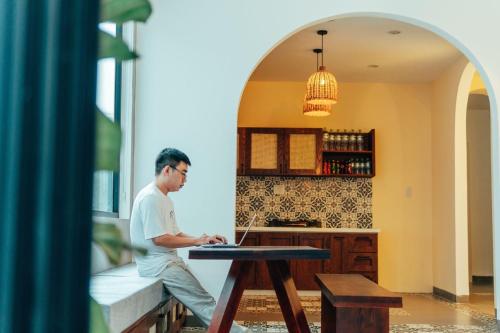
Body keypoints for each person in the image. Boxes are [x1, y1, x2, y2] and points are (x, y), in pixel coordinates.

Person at [130, 148, 248, 333]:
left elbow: (175, 234)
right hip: (158, 267)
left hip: (168, 263)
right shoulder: (150, 198)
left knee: (205, 299)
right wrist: (196, 241)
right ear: (168, 170)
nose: (185, 179)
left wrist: (204, 239)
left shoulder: (164, 199)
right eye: (183, 173)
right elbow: (159, 239)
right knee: (203, 301)